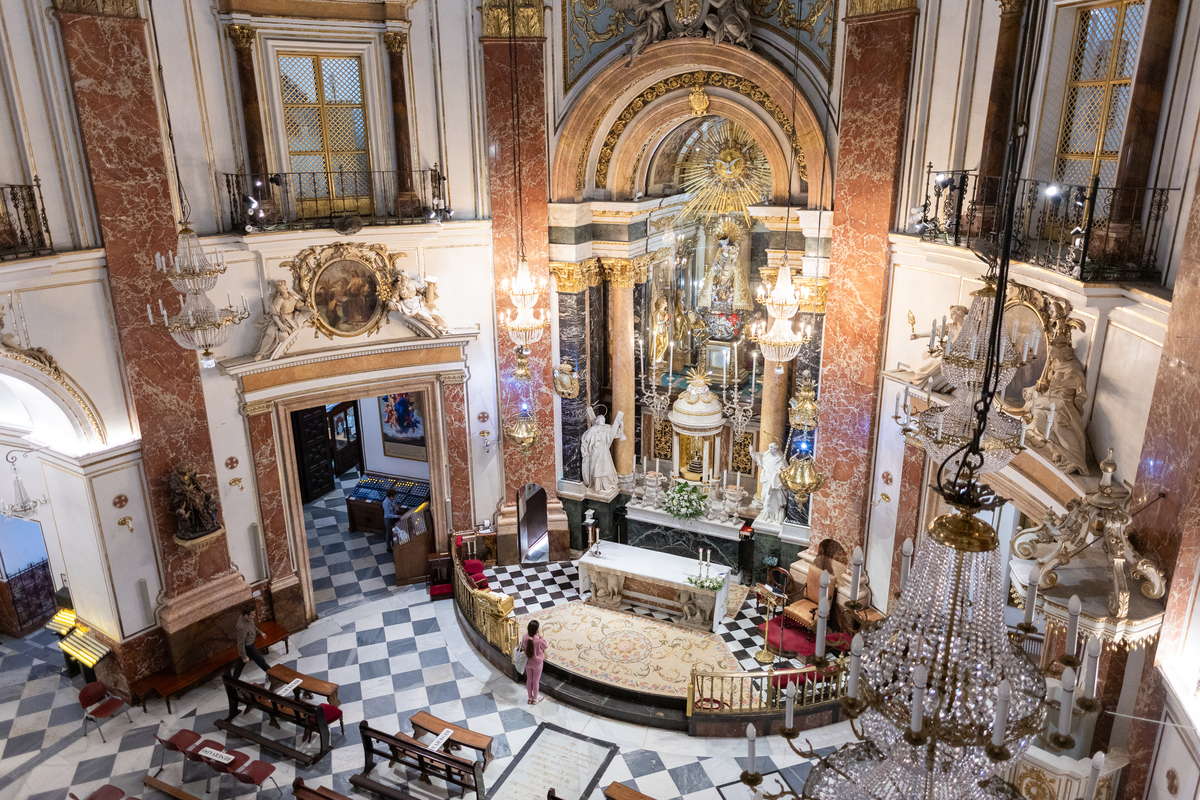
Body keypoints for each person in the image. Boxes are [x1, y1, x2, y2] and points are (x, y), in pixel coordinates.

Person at [232, 608, 270, 683]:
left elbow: (253, 627)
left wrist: (261, 632)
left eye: (254, 613)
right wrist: (244, 656)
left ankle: (233, 681)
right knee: (260, 660)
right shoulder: (241, 627)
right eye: (253, 614)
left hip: (251, 644)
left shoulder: (247, 618)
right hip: (248, 647)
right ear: (246, 615)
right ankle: (272, 675)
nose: (254, 615)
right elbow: (240, 643)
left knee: (240, 665)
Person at [520, 620, 548, 705]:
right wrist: (541, 637)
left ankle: (530, 698)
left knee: (529, 680)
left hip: (528, 663)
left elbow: (522, 646)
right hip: (537, 664)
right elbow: (545, 646)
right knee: (536, 681)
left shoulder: (525, 638)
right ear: (537, 630)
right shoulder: (539, 641)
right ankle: (535, 699)